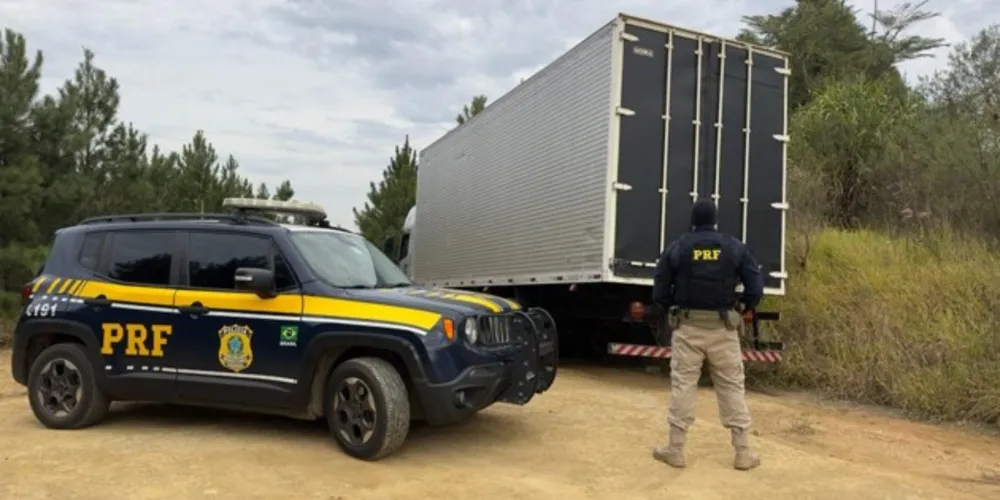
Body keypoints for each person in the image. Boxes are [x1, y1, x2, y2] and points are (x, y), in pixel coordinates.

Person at [650, 198, 763, 471]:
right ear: (714, 221)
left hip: (688, 329)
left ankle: (675, 450)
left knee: (683, 386)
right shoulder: (734, 247)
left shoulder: (678, 247)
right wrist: (742, 306)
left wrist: (671, 310)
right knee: (732, 387)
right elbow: (756, 287)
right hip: (724, 330)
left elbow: (660, 290)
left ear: (693, 221)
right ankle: (743, 453)